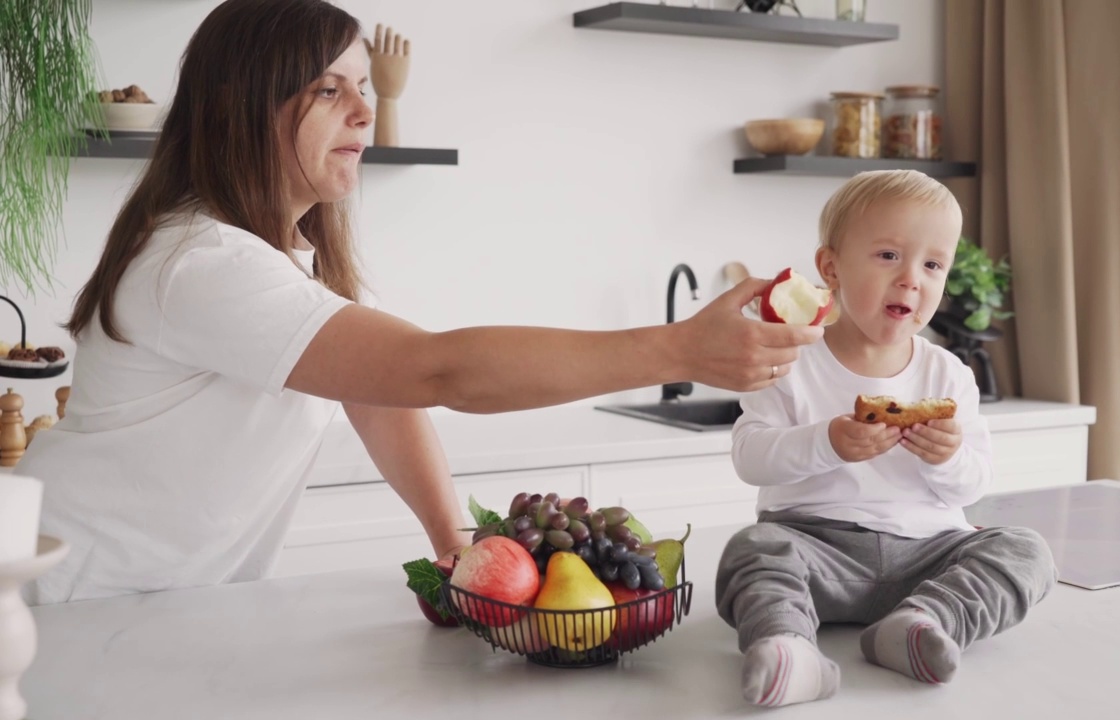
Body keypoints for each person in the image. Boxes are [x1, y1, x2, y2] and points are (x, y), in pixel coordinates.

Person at [17, 0, 821, 605]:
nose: (365, 112)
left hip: (149, 609)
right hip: (69, 603)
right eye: (329, 90)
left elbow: (381, 389)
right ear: (242, 107)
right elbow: (436, 371)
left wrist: (454, 539)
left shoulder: (280, 263)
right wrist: (676, 348)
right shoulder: (200, 264)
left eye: (363, 87)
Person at [714, 170, 1057, 707]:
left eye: (932, 264)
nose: (911, 279)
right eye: (888, 256)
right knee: (753, 550)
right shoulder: (789, 360)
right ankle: (790, 648)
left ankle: (921, 623)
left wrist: (948, 458)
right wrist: (828, 442)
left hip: (927, 557)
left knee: (1025, 549)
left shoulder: (949, 374)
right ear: (831, 268)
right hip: (816, 551)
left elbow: (974, 483)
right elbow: (750, 458)